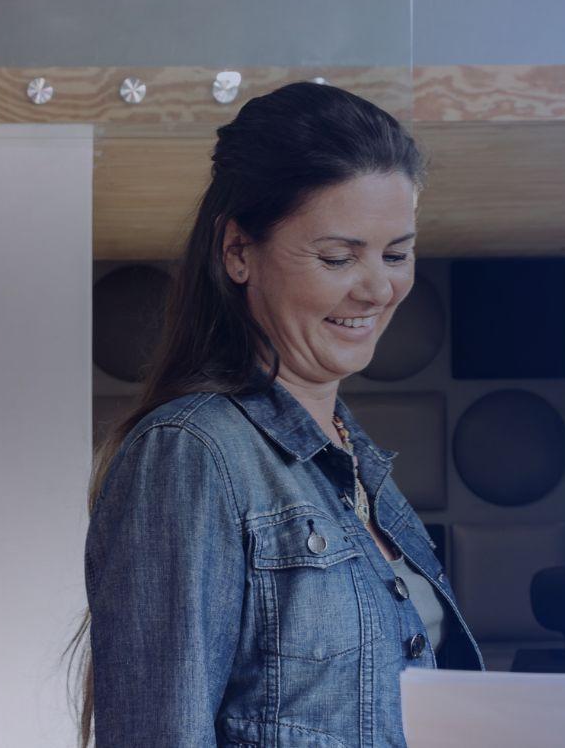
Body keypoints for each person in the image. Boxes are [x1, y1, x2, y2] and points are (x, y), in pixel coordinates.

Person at [83, 83, 480, 747]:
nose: (378, 288)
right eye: (338, 256)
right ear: (238, 252)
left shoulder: (354, 458)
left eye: (396, 253)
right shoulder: (191, 454)